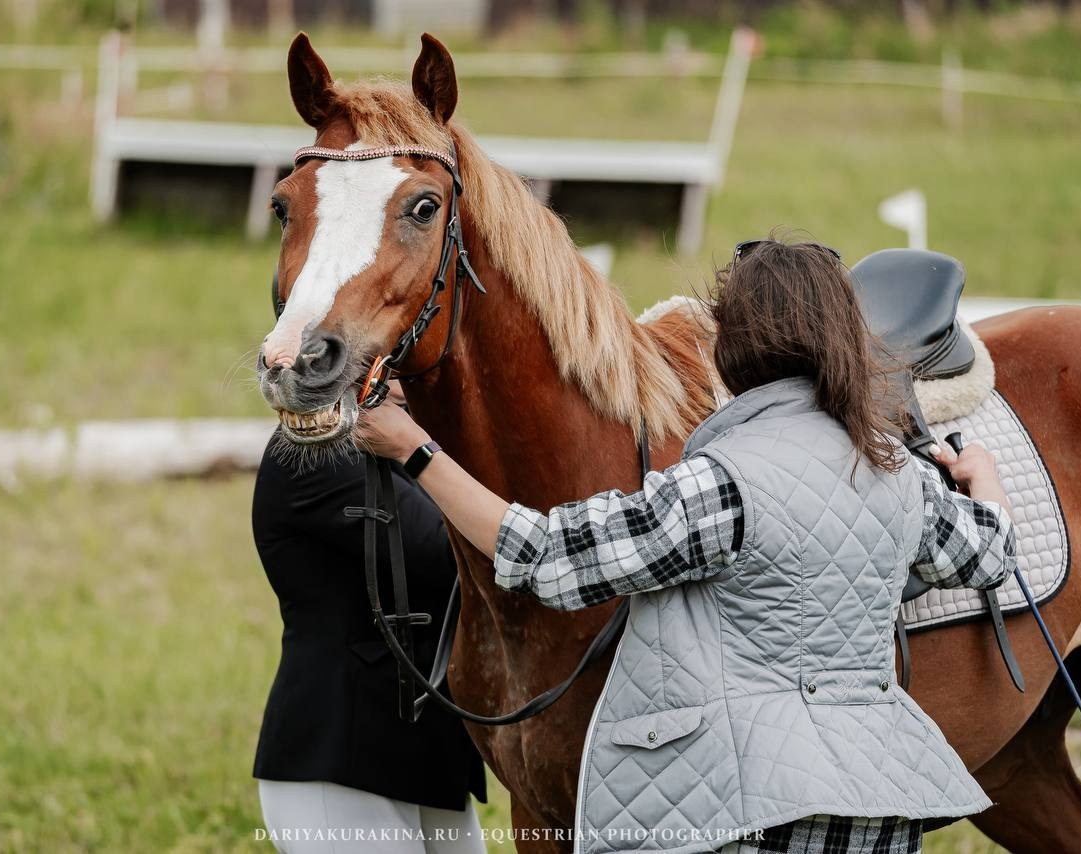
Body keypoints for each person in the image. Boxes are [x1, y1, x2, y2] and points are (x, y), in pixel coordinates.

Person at [356, 238, 1016, 854]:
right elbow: (990, 554)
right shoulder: (898, 476)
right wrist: (983, 481)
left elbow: (543, 556)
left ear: (732, 344)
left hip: (756, 807)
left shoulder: (719, 485)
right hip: (882, 802)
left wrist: (414, 448)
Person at [252, 382, 487, 854]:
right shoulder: (315, 449)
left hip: (428, 760)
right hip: (340, 762)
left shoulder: (408, 435)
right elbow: (449, 552)